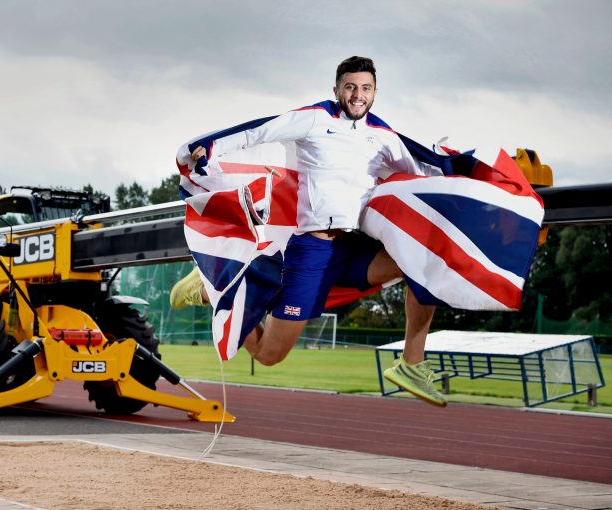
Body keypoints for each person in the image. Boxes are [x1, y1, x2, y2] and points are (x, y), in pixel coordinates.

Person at [172, 56, 447, 406]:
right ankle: (214, 291)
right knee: (270, 355)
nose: (357, 95)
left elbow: (420, 172)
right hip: (312, 251)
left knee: (429, 256)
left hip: (355, 247)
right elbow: (262, 130)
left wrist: (458, 173)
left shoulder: (384, 136)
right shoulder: (316, 118)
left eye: (365, 88)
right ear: (337, 90)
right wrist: (213, 146)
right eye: (350, 87)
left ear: (375, 92)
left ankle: (411, 363)